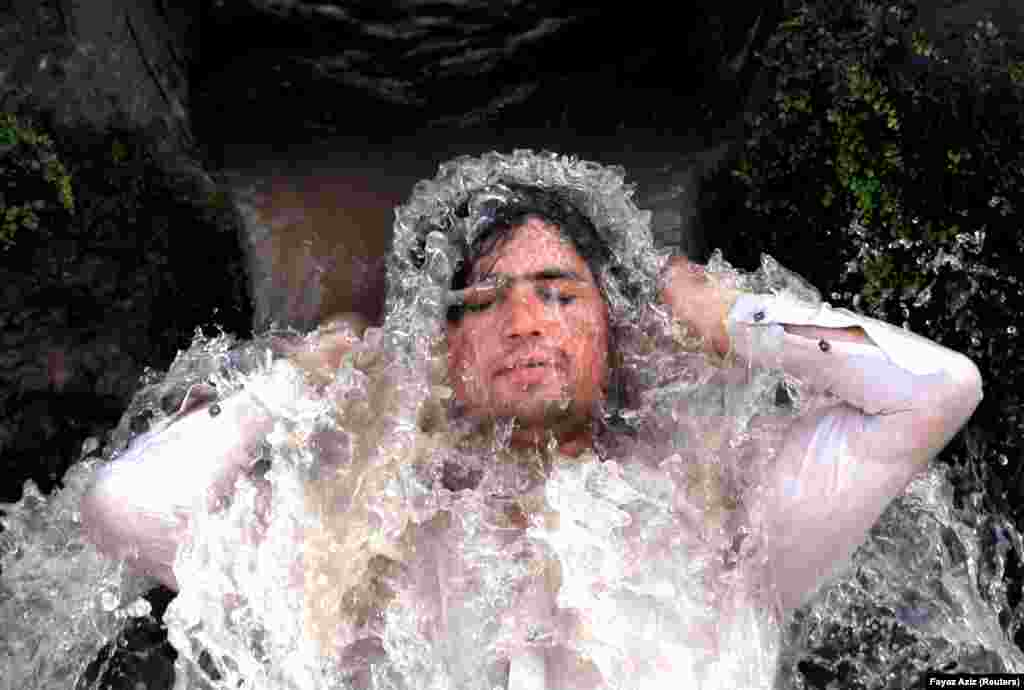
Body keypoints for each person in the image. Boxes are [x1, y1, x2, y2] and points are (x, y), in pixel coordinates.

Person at [80, 150, 983, 688]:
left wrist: (715, 309)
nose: (524, 324)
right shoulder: (361, 549)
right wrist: (314, 370)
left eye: (560, 295)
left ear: (615, 334)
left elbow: (934, 391)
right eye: (481, 301)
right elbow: (129, 507)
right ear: (444, 354)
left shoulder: (727, 519)